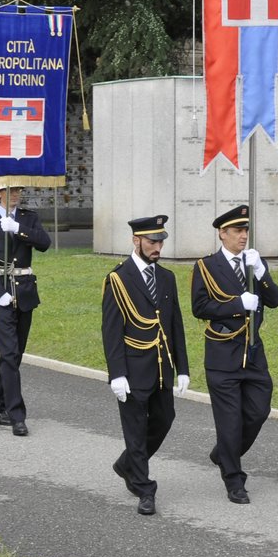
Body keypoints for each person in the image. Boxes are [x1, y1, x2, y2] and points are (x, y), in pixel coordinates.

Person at [189, 205, 278, 504]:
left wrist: (262, 273)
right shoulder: (206, 266)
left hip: (253, 353)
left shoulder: (255, 262)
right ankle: (234, 479)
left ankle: (223, 453)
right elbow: (200, 307)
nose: (243, 236)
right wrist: (237, 303)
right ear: (222, 233)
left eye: (246, 231)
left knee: (258, 410)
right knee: (229, 421)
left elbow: (274, 300)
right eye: (237, 231)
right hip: (223, 354)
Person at [102, 215, 190, 516]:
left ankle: (127, 464)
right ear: (136, 240)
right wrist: (117, 374)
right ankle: (144, 487)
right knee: (136, 430)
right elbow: (112, 329)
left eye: (161, 241)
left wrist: (184, 368)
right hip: (133, 369)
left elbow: (174, 324)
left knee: (165, 419)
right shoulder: (118, 278)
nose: (158, 247)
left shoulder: (166, 278)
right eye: (152, 241)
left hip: (162, 367)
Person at [0, 183, 52, 435]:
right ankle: (16, 414)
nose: (16, 194)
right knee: (8, 354)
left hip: (24, 292)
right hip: (0, 294)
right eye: (10, 190)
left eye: (18, 190)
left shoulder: (28, 218)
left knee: (15, 355)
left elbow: (44, 243)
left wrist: (19, 229)